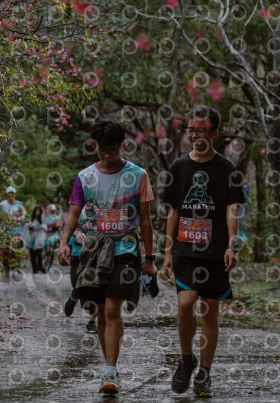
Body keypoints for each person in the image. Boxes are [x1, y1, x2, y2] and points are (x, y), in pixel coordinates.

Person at [58, 119, 157, 395]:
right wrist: (64, 243)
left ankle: (111, 370)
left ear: (122, 145)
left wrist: (150, 258)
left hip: (125, 249)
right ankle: (109, 367)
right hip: (93, 252)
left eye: (112, 150)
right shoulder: (85, 177)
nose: (107, 155)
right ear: (94, 146)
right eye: (102, 150)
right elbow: (74, 213)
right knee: (101, 310)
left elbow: (146, 220)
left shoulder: (138, 175)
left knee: (113, 308)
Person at [162, 105, 246, 397]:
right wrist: (168, 250)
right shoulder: (178, 167)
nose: (195, 135)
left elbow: (232, 208)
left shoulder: (227, 169)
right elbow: (173, 210)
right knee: (185, 304)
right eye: (191, 130)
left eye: (201, 130)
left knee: (210, 312)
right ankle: (187, 360)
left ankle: (204, 373)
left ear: (214, 133)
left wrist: (232, 244)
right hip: (185, 249)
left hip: (215, 251)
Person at [64, 210, 97, 333]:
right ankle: (74, 296)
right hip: (77, 251)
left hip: (97, 252)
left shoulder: (103, 203)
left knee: (95, 286)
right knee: (77, 282)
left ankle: (91, 321)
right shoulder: (76, 205)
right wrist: (77, 233)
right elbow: (68, 226)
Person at [0, 186, 26, 274]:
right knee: (6, 249)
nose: (11, 195)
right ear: (7, 194)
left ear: (15, 194)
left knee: (14, 246)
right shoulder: (2, 204)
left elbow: (23, 214)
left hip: (16, 229)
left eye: (12, 193)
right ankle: (6, 265)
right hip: (5, 229)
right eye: (9, 193)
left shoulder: (19, 204)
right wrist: (4, 219)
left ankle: (15, 264)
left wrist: (17, 218)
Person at [27, 206, 47, 274]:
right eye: (36, 211)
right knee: (32, 255)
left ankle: (40, 267)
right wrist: (31, 226)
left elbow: (45, 228)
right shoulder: (31, 219)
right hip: (32, 239)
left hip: (39, 239)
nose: (37, 212)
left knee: (39, 254)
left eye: (39, 211)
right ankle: (34, 269)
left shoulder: (43, 219)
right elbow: (28, 227)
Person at [44, 204, 62, 271]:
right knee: (46, 253)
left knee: (50, 253)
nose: (51, 211)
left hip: (53, 238)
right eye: (50, 210)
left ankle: (48, 267)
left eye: (52, 210)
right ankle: (44, 267)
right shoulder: (47, 217)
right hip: (46, 238)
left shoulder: (57, 218)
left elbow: (59, 227)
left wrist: (51, 228)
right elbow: (45, 226)